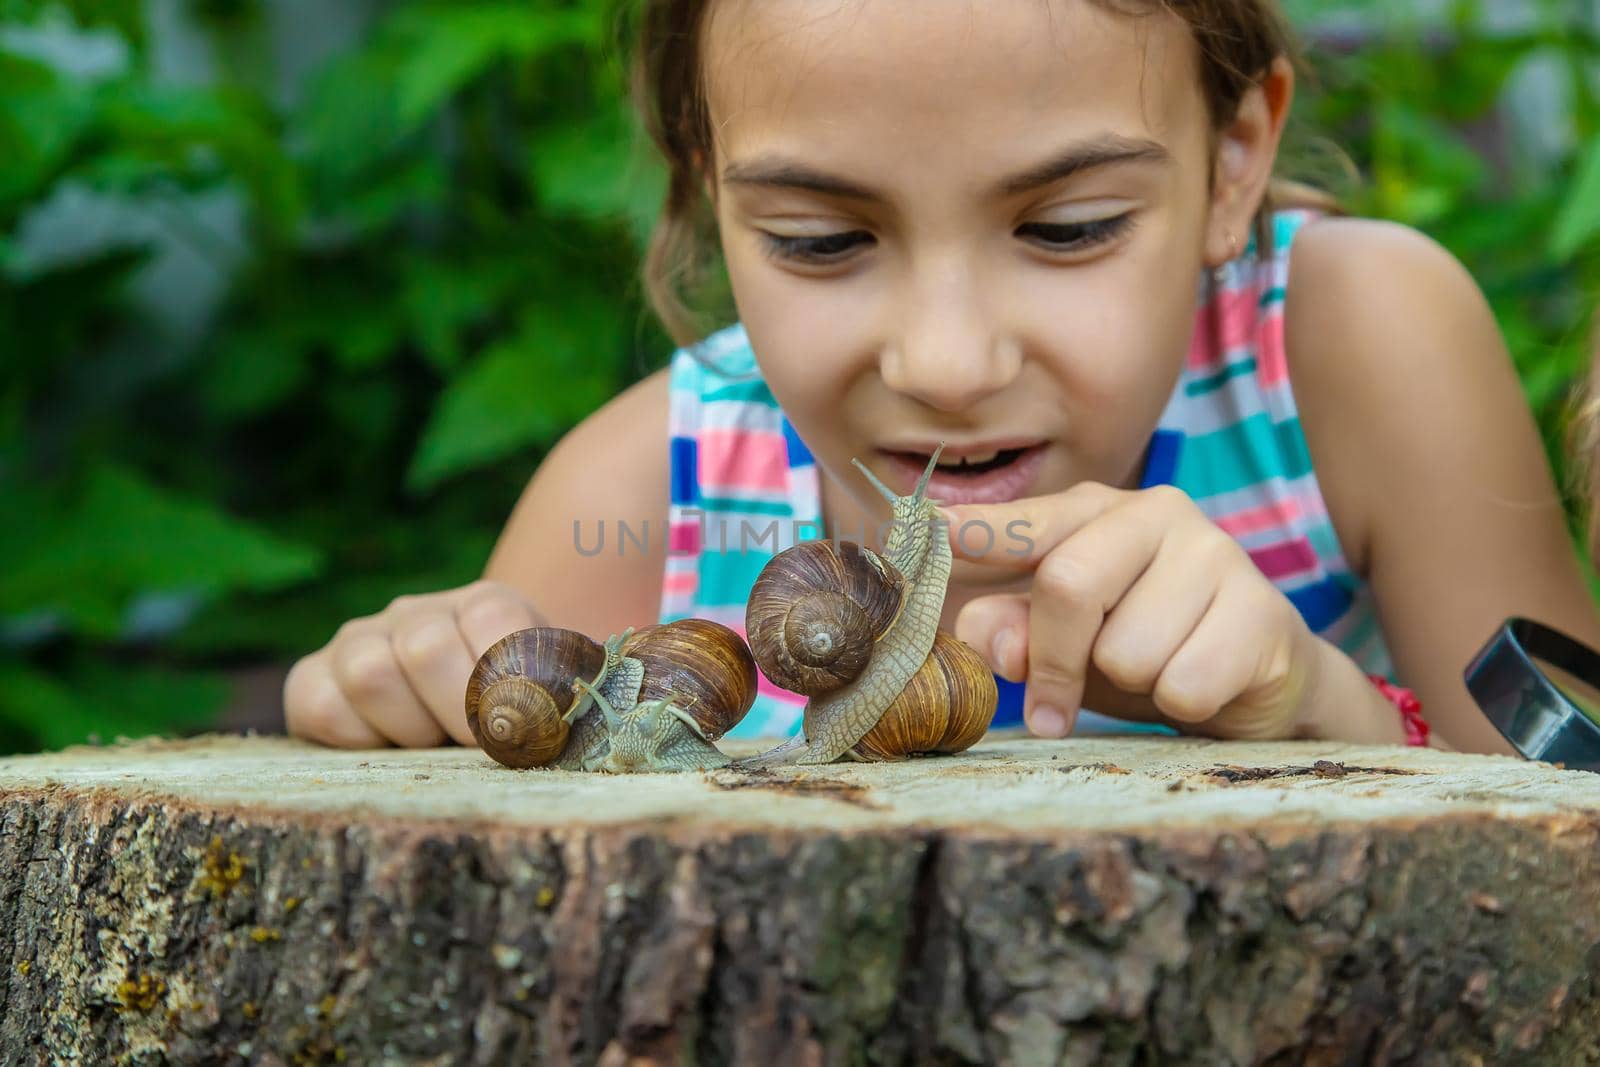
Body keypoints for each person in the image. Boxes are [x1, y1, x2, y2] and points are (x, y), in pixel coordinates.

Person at [283, 0, 1600, 756]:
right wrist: (408, 692)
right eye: (824, 242)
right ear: (701, 192)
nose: (949, 365)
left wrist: (1322, 709)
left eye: (1069, 228)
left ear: (1236, 154)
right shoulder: (645, 496)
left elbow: (1566, 843)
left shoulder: (1347, 349)